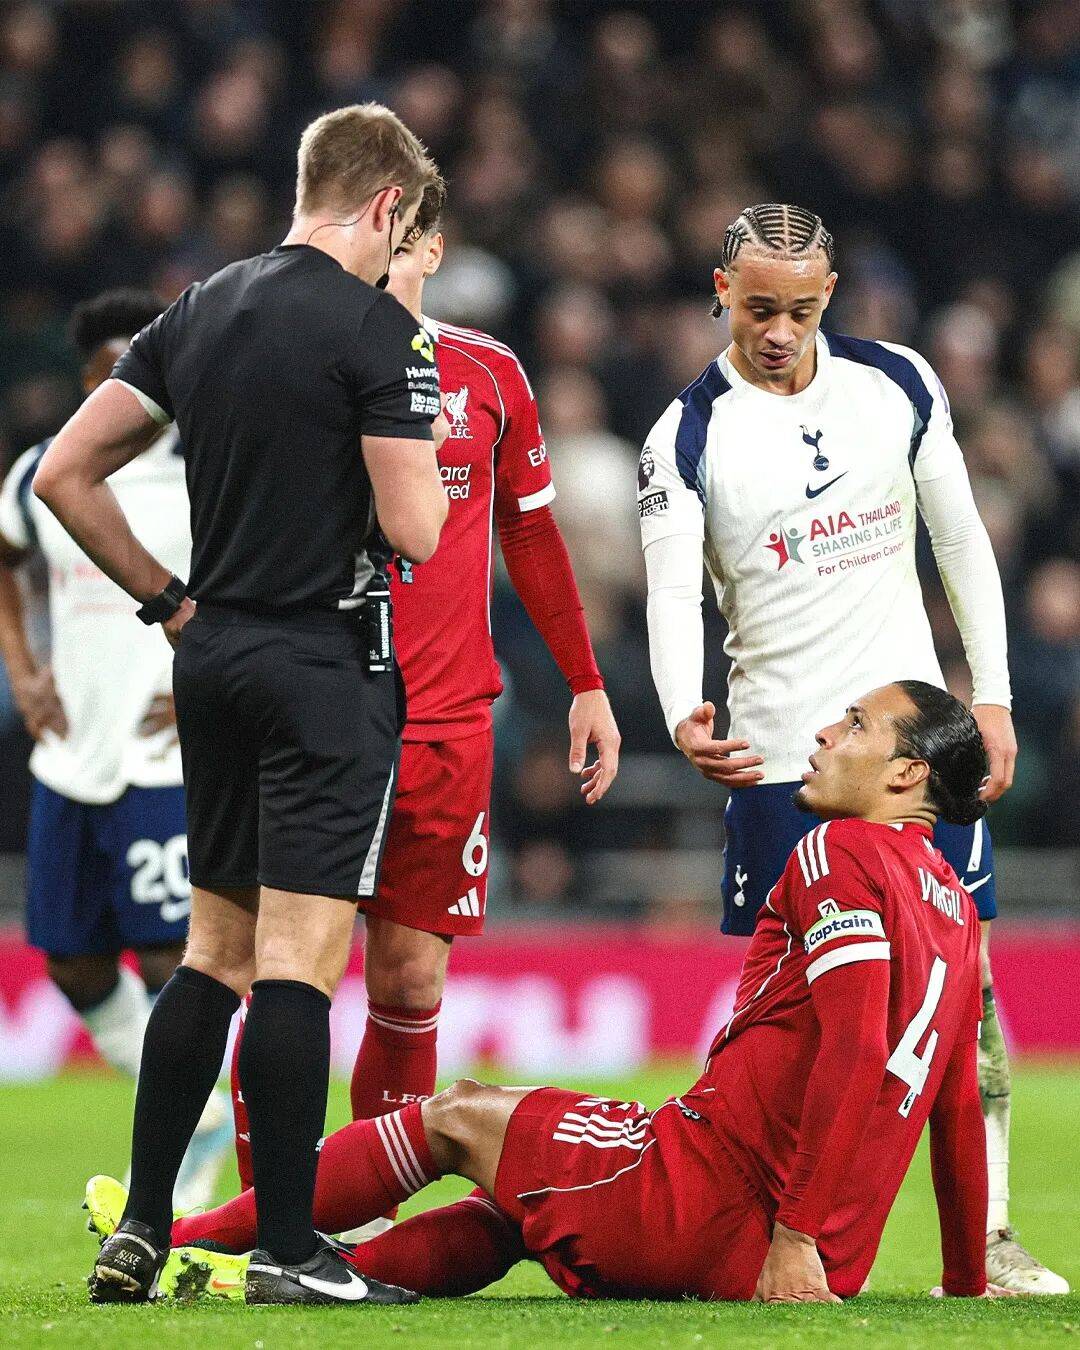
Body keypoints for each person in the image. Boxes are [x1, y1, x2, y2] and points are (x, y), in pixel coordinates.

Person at [90, 682, 1014, 1305]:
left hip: (712, 1201)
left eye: (855, 725)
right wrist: (964, 1280)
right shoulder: (957, 913)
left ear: (906, 774)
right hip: (814, 1250)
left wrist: (794, 1236)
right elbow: (957, 1099)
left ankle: (185, 1236)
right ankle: (291, 1272)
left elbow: (855, 1046)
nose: (824, 734)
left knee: (457, 1116)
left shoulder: (841, 851)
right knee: (517, 1205)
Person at [33, 103, 447, 1307]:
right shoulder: (377, 331)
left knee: (210, 956)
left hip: (209, 658)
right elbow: (417, 528)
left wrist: (167, 600)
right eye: (404, 232)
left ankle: (142, 1225)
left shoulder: (199, 307)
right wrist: (406, 403)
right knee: (296, 967)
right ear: (386, 206)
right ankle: (289, 1252)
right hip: (324, 664)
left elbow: (64, 473)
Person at [637, 203, 1065, 1295]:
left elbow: (959, 537)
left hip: (915, 751)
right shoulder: (686, 435)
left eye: (801, 309)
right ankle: (748, 1233)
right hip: (786, 763)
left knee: (965, 997)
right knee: (784, 1021)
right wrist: (683, 708)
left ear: (829, 295)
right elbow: (672, 591)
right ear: (720, 292)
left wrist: (994, 698)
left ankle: (990, 1241)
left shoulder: (899, 382)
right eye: (758, 308)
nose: (780, 331)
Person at [227, 184, 621, 1237]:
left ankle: (361, 1224)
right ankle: (267, 1222)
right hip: (318, 711)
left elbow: (529, 535)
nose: (377, 267)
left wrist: (585, 682)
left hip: (447, 724)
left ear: (433, 251)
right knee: (289, 975)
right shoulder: (295, 361)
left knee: (408, 980)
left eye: (398, 248)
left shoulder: (487, 373)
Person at [0, 289, 231, 1211]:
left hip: (164, 761)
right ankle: (197, 1108)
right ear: (87, 375)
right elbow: (7, 558)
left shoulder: (205, 471)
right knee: (73, 961)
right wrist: (23, 668)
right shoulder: (41, 470)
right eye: (107, 370)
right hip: (71, 754)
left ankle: (189, 1127)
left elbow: (250, 583)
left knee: (176, 958)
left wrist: (204, 677)